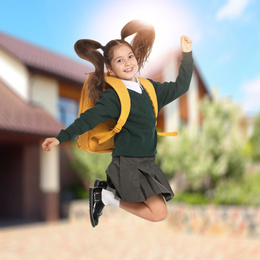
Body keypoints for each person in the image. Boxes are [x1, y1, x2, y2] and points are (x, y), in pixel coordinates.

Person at [42, 20, 193, 228]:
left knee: (159, 212)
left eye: (130, 56)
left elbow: (181, 86)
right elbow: (88, 118)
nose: (128, 63)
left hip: (147, 163)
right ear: (110, 69)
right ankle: (105, 197)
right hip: (128, 164)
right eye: (119, 61)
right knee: (159, 213)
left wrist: (187, 54)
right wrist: (60, 138)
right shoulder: (113, 97)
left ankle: (104, 195)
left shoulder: (151, 89)